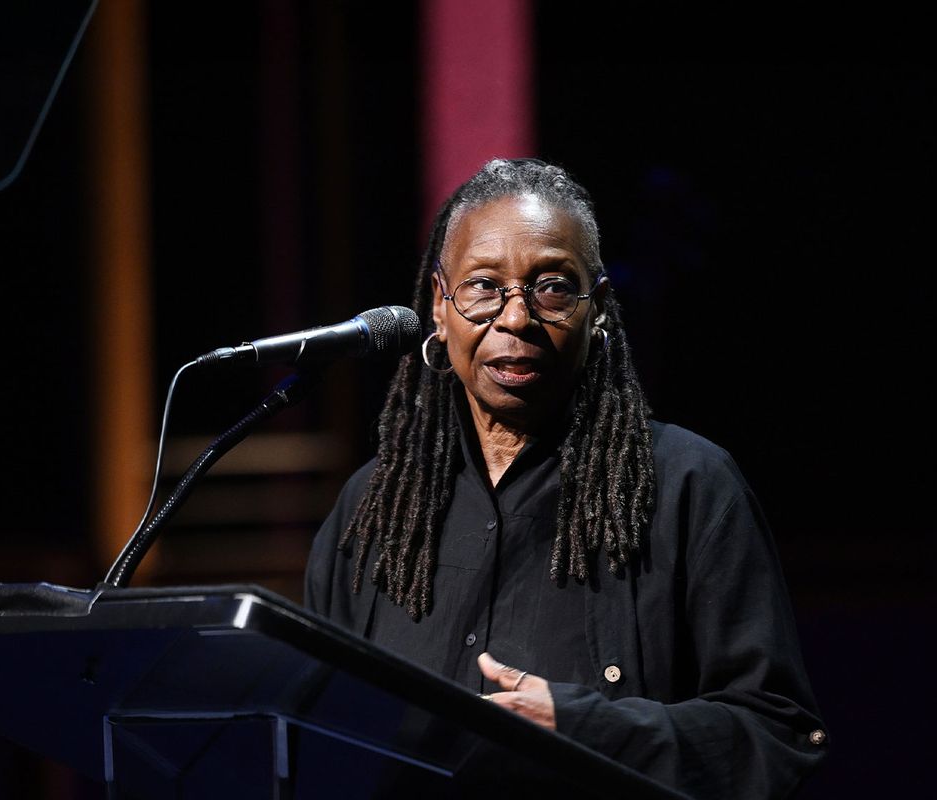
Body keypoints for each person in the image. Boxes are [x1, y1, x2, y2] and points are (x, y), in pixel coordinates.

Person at [305, 157, 828, 798]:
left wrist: (589, 728)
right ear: (440, 307)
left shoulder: (689, 487)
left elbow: (777, 736)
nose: (516, 318)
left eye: (552, 286)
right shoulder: (372, 511)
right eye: (482, 286)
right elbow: (312, 734)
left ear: (598, 308)